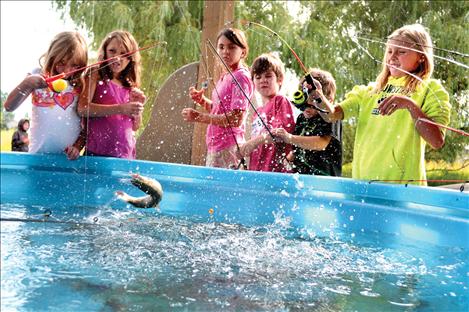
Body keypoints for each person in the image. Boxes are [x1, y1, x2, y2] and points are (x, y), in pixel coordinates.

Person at [313, 24, 451, 185]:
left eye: (401, 52)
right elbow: (331, 115)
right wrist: (318, 97)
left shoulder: (432, 89)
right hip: (364, 187)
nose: (392, 57)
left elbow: (436, 141)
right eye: (390, 51)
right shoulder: (368, 91)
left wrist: (410, 106)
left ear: (421, 56)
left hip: (406, 191)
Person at [4, 31, 88, 160]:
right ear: (52, 57)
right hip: (36, 156)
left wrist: (77, 147)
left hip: (67, 160)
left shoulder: (80, 84)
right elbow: (9, 106)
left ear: (81, 66)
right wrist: (27, 83)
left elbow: (86, 125)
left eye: (74, 66)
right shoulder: (37, 74)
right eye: (62, 63)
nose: (66, 70)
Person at [181, 28, 254, 169]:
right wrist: (202, 100)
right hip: (216, 146)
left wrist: (199, 117)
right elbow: (219, 109)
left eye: (232, 47)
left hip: (229, 148)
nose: (225, 51)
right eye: (221, 47)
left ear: (243, 52)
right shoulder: (225, 75)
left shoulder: (240, 77)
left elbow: (235, 119)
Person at [78, 30, 145, 159]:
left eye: (124, 53)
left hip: (126, 154)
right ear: (104, 52)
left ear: (131, 58)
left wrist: (138, 109)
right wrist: (121, 108)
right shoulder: (95, 74)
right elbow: (83, 109)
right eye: (112, 51)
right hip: (97, 152)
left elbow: (135, 127)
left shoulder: (130, 84)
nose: (117, 58)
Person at [272, 68, 342, 176]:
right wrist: (290, 157)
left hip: (325, 180)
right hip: (302, 178)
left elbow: (321, 144)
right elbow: (299, 145)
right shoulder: (302, 119)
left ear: (328, 100)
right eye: (305, 100)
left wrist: (290, 138)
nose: (308, 107)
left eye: (314, 100)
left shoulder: (331, 117)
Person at [238, 53, 295, 172]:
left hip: (276, 172)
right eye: (258, 77)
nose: (263, 80)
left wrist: (251, 143)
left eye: (268, 76)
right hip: (258, 171)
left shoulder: (280, 101)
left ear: (279, 79)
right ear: (253, 82)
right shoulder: (257, 112)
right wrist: (244, 150)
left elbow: (279, 134)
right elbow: (258, 143)